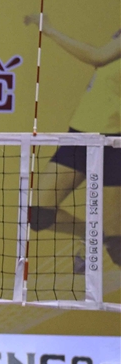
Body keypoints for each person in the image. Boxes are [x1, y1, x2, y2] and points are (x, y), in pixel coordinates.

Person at [22, 13, 120, 265]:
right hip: (81, 135)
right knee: (38, 214)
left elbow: (96, 56)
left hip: (114, 144)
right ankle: (94, 235)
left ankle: (108, 238)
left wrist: (49, 30)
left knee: (118, 246)